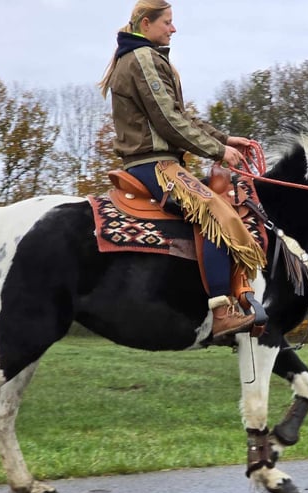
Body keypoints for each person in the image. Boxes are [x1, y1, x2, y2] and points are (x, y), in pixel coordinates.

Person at [99, 0, 266, 340]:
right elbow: (169, 121)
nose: (173, 29)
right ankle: (221, 312)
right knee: (215, 212)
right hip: (154, 164)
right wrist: (218, 151)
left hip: (159, 160)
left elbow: (179, 115)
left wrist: (225, 138)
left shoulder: (144, 57)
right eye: (168, 23)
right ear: (146, 24)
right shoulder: (143, 59)